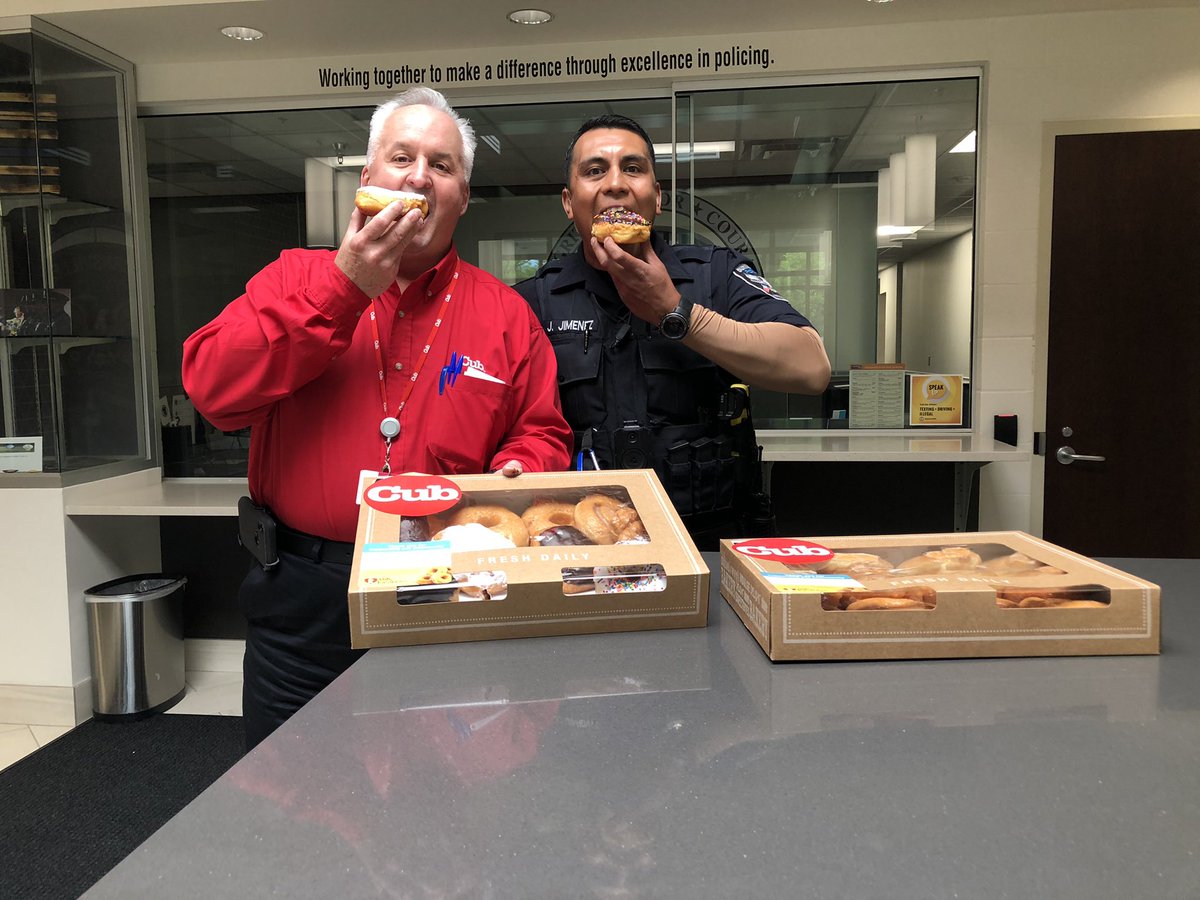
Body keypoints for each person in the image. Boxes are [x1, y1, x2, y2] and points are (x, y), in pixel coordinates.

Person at [182, 87, 572, 750]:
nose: (420, 175)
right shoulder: (293, 277)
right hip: (302, 595)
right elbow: (214, 391)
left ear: (463, 197)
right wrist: (343, 286)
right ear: (367, 180)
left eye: (442, 165)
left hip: (446, 586)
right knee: (295, 798)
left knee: (438, 796)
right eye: (402, 158)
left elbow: (542, 431)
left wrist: (521, 469)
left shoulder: (506, 314)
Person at [516, 114, 831, 548]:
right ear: (569, 203)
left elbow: (811, 368)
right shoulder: (532, 300)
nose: (615, 184)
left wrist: (675, 311)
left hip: (710, 543)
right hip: (581, 546)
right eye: (594, 171)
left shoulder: (716, 274)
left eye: (633, 168)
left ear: (657, 196)